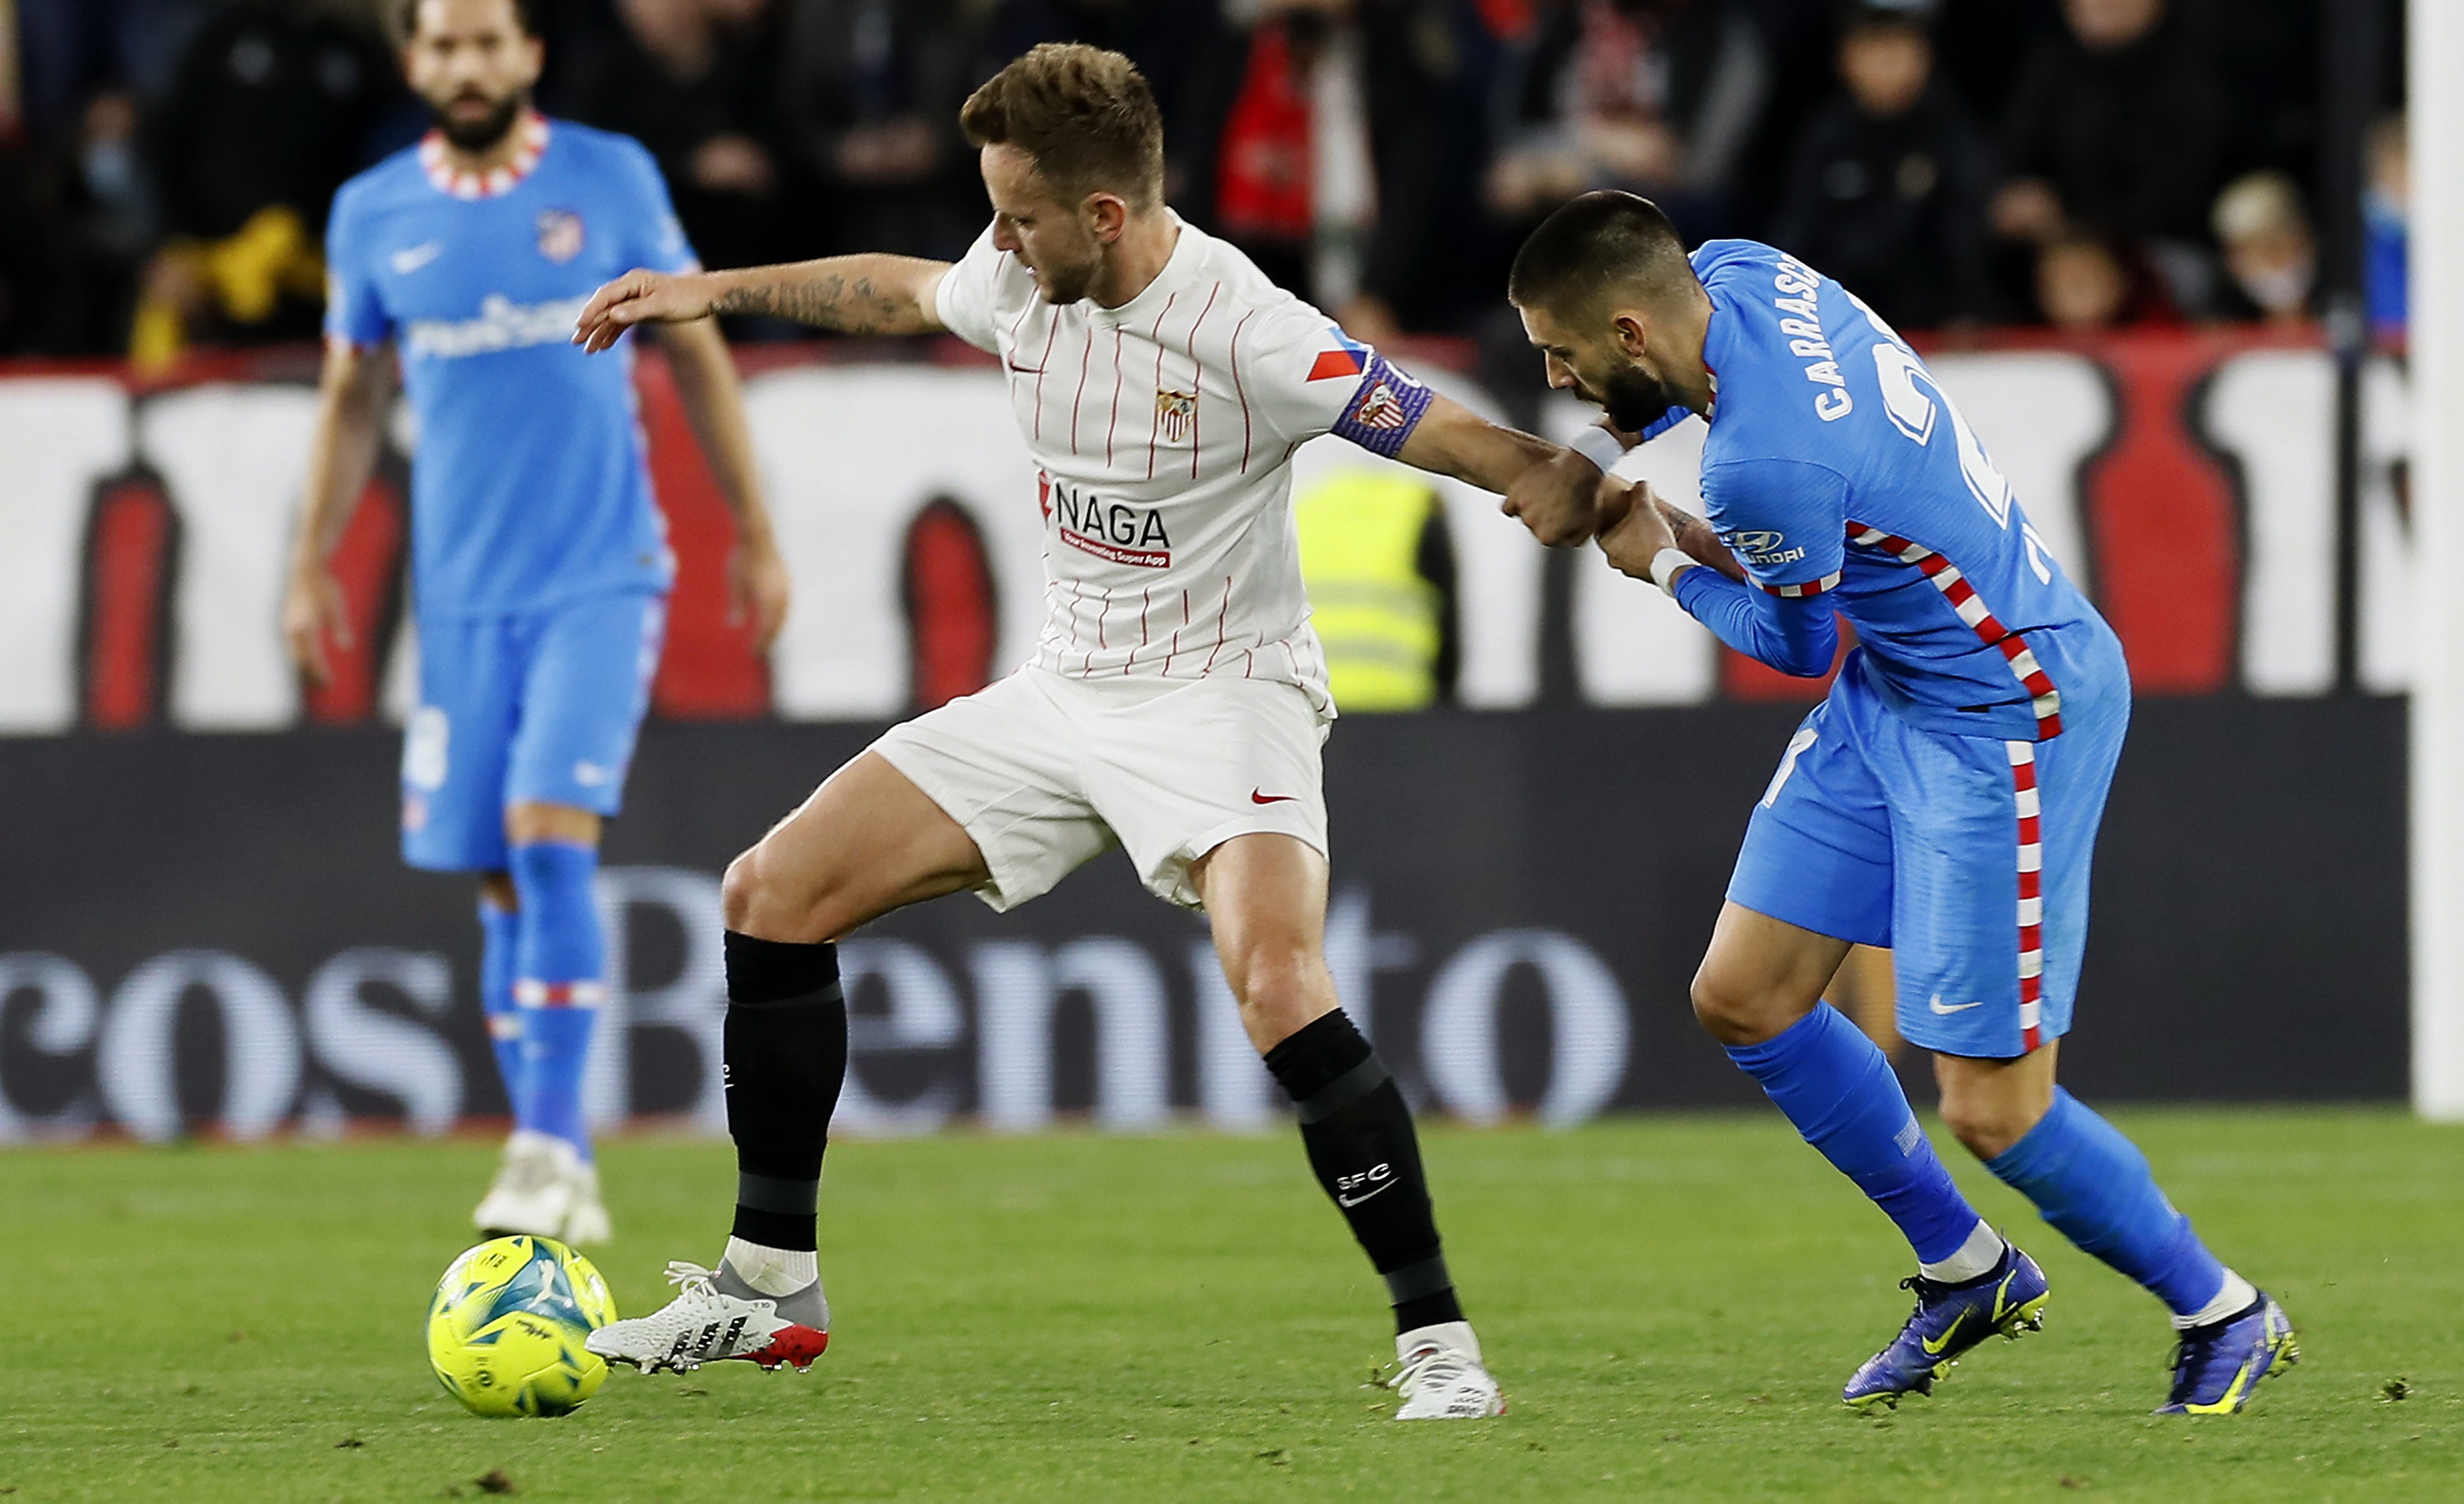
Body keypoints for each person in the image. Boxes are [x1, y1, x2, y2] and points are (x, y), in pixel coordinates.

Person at [567, 42, 1614, 1417]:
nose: (995, 237)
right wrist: (711, 289)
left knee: (1278, 980)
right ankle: (769, 1284)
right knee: (770, 894)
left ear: (1104, 216)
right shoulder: (1018, 277)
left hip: (1224, 694)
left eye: (1016, 211)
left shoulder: (1243, 328)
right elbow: (893, 289)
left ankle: (1439, 1345)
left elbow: (1407, 414)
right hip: (1064, 690)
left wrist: (1543, 470)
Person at [1503, 190, 2297, 1415]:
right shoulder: (1742, 270)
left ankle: (2224, 1307)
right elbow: (1801, 532)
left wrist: (1655, 552)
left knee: (1992, 1107)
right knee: (1745, 996)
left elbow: (1786, 635)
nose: (1554, 376)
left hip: (2003, 713)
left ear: (1628, 327)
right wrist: (1606, 466)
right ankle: (1967, 1268)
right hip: (1903, 678)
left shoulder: (1761, 464)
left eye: (1560, 353)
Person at [284, 0, 789, 1244]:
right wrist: (312, 565)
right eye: (443, 45)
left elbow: (696, 353)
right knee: (501, 873)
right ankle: (555, 1155)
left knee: (547, 832)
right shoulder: (371, 212)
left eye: (485, 41)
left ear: (528, 54)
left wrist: (756, 530)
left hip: (600, 574)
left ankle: (548, 1139)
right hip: (460, 600)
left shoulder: (609, 178)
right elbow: (352, 402)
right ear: (415, 63)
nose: (465, 65)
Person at [1768, 0, 1998, 331]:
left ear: (1925, 57)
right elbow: (1798, 231)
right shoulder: (1825, 135)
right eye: (1876, 51)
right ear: (1846, 59)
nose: (1890, 65)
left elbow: (1969, 231)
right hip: (1841, 320)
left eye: (1901, 50)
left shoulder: (1951, 130)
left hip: (1941, 326)